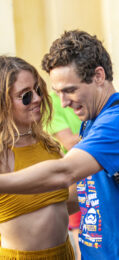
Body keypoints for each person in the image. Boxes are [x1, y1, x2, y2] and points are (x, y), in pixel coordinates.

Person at [0, 30, 119, 260]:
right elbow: (79, 196)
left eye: (70, 90)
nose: (62, 102)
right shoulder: (91, 124)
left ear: (99, 76)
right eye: (57, 93)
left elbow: (65, 173)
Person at [0, 56, 76, 259]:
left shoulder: (48, 144)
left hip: (64, 254)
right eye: (25, 96)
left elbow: (70, 201)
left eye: (38, 90)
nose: (37, 98)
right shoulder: (1, 154)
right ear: (3, 103)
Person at [46, 92, 82, 260]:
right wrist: (105, 134)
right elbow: (68, 142)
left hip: (91, 175)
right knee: (82, 236)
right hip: (75, 176)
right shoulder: (51, 103)